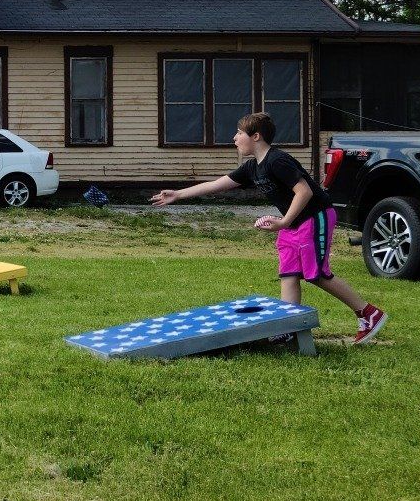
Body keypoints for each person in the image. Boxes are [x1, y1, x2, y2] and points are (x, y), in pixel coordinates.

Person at [151, 111, 387, 345]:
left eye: (239, 133)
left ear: (256, 137)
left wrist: (283, 222)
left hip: (315, 217)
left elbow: (304, 191)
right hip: (292, 222)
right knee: (289, 273)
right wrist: (178, 194)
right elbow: (217, 185)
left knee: (316, 274)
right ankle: (288, 328)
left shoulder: (277, 160)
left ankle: (368, 313)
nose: (234, 138)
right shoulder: (252, 168)